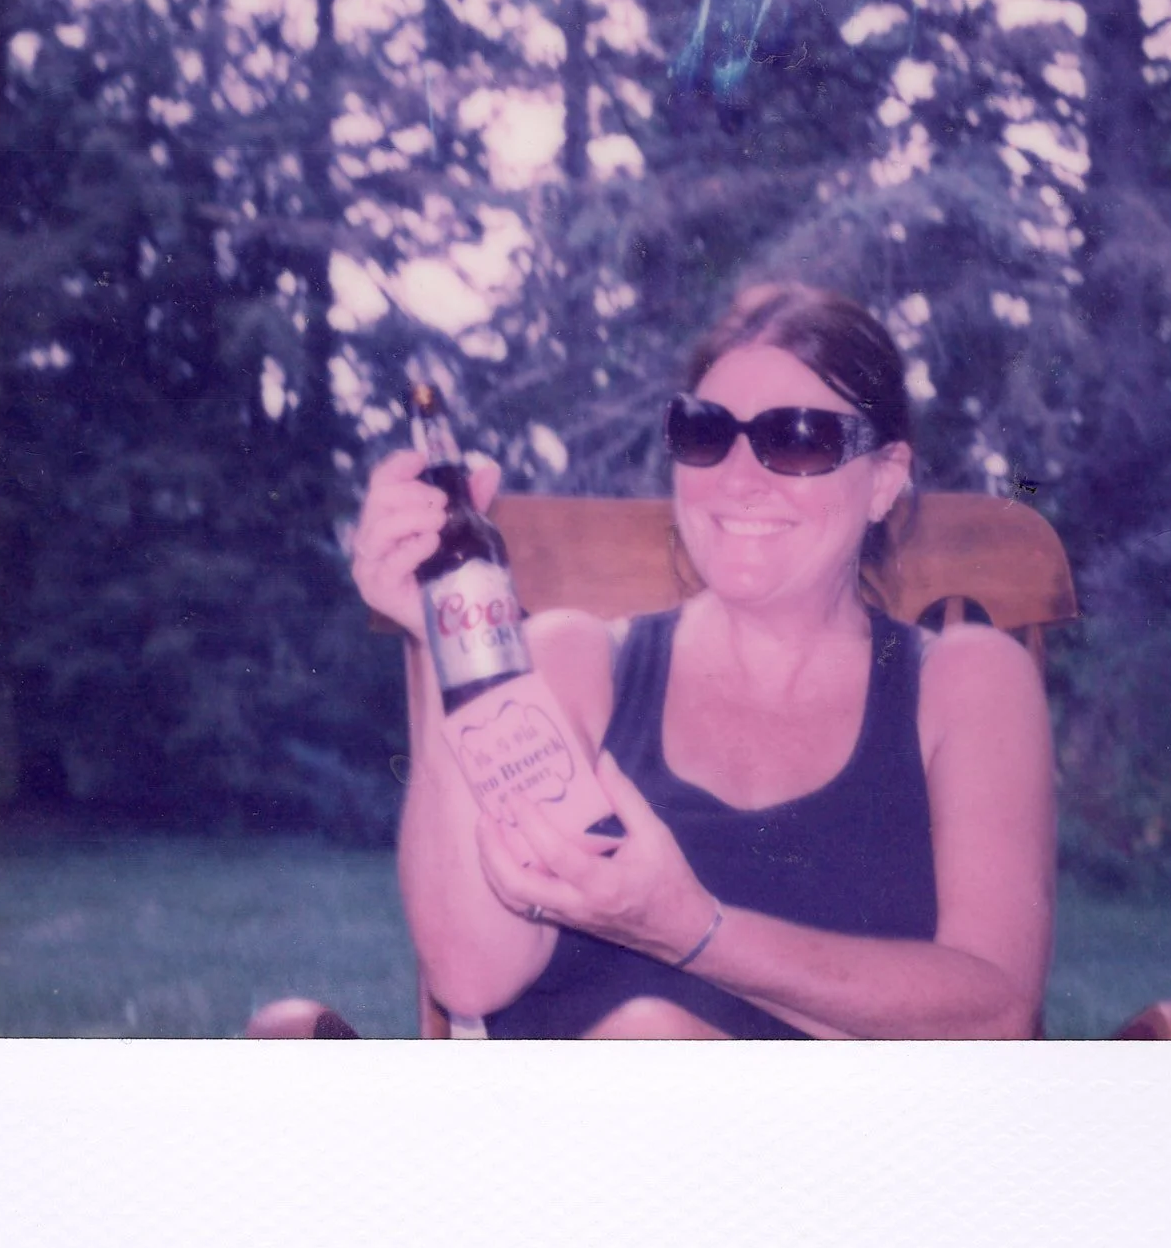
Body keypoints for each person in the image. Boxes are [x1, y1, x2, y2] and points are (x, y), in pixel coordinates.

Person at [350, 283, 1055, 1039]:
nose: (738, 480)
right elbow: (472, 972)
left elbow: (995, 1013)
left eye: (799, 438)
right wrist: (442, 642)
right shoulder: (570, 665)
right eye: (705, 432)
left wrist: (691, 930)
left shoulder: (963, 684)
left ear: (883, 479)